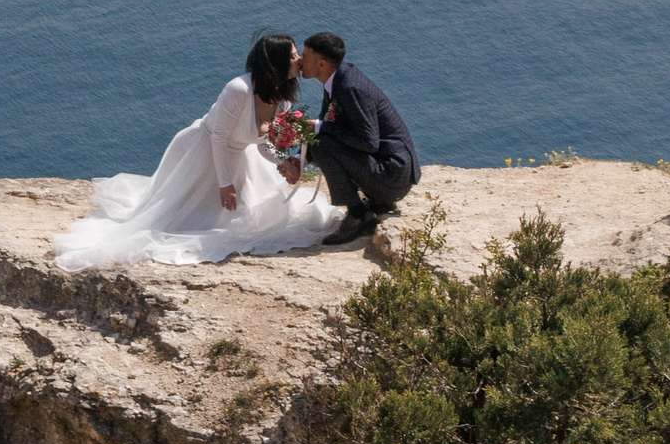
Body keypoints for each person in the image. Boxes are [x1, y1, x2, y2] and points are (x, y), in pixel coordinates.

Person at [52, 34, 346, 270]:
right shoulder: (239, 90)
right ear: (276, 62)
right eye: (293, 55)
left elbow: (264, 143)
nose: (298, 60)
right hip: (203, 151)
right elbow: (218, 136)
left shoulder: (282, 99)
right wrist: (225, 183)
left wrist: (284, 163)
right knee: (184, 218)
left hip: (240, 154)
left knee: (245, 217)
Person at [287, 31, 419, 246]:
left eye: (305, 56)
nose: (300, 61)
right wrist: (297, 159)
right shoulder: (338, 80)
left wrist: (321, 127)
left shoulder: (350, 88)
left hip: (392, 176)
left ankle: (358, 215)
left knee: (321, 143)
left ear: (322, 63)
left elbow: (368, 142)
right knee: (321, 138)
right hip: (389, 170)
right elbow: (326, 126)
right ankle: (377, 203)